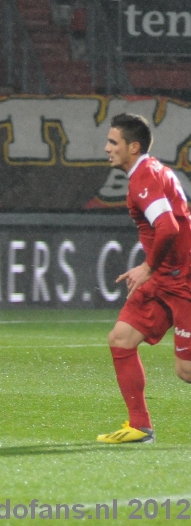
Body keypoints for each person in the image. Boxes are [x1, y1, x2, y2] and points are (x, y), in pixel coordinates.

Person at [96, 113, 191, 444]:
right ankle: (140, 426)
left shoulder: (144, 178)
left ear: (133, 147)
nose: (107, 148)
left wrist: (148, 267)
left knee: (186, 372)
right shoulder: (152, 171)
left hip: (183, 280)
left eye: (113, 142)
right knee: (121, 339)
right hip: (166, 277)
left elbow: (168, 227)